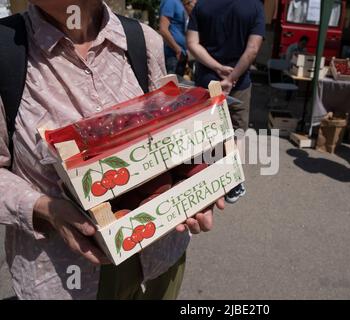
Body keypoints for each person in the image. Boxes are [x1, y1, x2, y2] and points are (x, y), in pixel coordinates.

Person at [0, 0, 223, 300]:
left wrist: (197, 184)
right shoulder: (6, 52)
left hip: (160, 260)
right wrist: (45, 209)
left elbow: (171, 133)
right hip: (66, 279)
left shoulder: (143, 40)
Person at [186, 0, 265, 203]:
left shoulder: (202, 5)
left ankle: (203, 180)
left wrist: (218, 68)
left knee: (207, 131)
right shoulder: (254, 7)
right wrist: (231, 78)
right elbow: (253, 49)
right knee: (237, 132)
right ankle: (232, 183)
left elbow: (192, 43)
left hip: (207, 80)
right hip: (239, 84)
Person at [159, 0, 188, 77]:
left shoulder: (181, 3)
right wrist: (177, 49)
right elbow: (163, 29)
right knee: (171, 84)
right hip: (172, 54)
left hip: (181, 53)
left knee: (179, 84)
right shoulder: (170, 2)